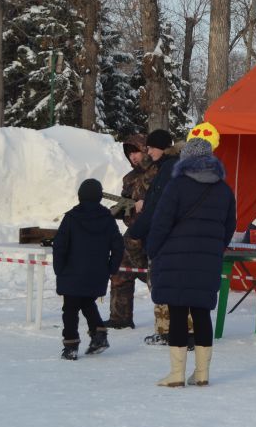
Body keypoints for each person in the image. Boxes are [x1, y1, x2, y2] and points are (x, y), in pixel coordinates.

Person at [145, 137, 235, 387]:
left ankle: (176, 374)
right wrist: (215, 247)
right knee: (202, 313)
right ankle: (203, 373)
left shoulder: (176, 186)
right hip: (207, 261)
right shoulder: (224, 189)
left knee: (177, 314)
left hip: (176, 258)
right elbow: (229, 227)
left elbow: (161, 222)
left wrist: (152, 249)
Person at [53, 179, 124, 360]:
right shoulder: (107, 218)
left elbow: (60, 245)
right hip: (97, 272)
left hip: (72, 272)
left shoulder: (71, 217)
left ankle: (71, 345)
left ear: (80, 196)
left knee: (70, 309)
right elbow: (118, 245)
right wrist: (111, 267)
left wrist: (58, 268)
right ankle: (99, 336)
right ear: (100, 196)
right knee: (86, 302)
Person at [127, 128, 180, 345]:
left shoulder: (167, 169)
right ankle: (177, 330)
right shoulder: (170, 166)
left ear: (162, 147)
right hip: (173, 238)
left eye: (151, 147)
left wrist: (137, 230)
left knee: (161, 285)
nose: (148, 151)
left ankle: (166, 331)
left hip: (162, 238)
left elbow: (157, 206)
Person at [105, 136, 154, 330]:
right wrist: (116, 210)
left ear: (145, 150)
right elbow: (126, 204)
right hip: (132, 236)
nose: (133, 156)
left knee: (155, 278)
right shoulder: (129, 178)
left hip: (152, 234)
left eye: (136, 151)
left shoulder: (160, 172)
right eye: (129, 153)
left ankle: (167, 322)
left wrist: (146, 205)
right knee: (119, 272)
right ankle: (120, 318)